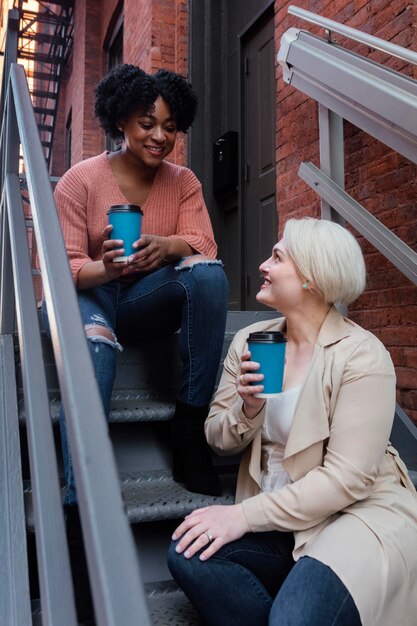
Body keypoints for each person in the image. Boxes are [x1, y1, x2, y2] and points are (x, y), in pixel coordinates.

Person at [41, 64, 228, 622]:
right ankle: (81, 510)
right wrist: (109, 264)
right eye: (147, 123)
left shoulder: (184, 181)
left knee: (208, 276)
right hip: (93, 296)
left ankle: (189, 428)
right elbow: (62, 269)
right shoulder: (80, 180)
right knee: (94, 343)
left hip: (143, 301)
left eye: (170, 126)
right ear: (121, 119)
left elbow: (204, 247)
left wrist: (164, 246)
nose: (159, 137)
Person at [168, 217, 417, 626]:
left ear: (312, 279)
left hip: (352, 515)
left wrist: (241, 517)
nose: (263, 265)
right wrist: (247, 409)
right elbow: (216, 438)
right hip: (282, 517)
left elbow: (346, 480)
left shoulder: (361, 355)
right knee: (188, 552)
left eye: (277, 257)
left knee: (294, 618)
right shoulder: (252, 342)